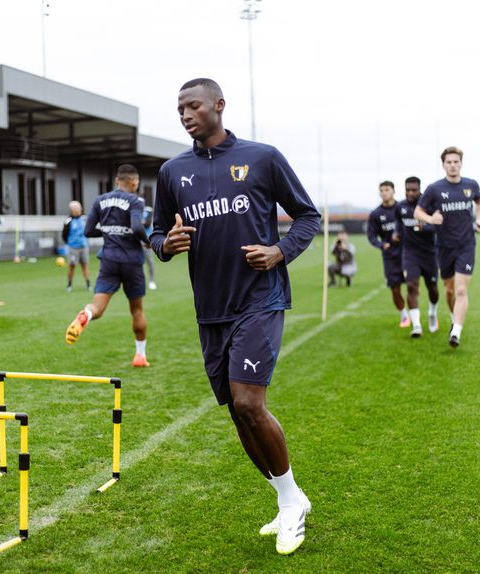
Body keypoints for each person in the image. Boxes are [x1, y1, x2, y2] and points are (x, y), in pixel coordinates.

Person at [150, 78, 320, 555]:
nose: (185, 114)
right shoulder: (172, 171)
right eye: (179, 108)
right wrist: (166, 244)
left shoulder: (263, 157)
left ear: (218, 106)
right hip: (211, 309)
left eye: (193, 106)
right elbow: (158, 230)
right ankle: (290, 498)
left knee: (249, 402)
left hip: (260, 299)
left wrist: (279, 251)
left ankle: (290, 506)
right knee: (237, 414)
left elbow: (307, 216)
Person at [65, 165, 151, 367]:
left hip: (109, 260)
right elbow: (137, 226)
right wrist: (146, 241)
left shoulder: (99, 200)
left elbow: (88, 231)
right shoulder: (135, 200)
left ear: (116, 180)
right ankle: (140, 356)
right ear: (134, 182)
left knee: (98, 308)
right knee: (137, 310)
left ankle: (86, 314)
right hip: (131, 261)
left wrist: (108, 232)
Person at [414, 146, 480, 348]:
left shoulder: (471, 185)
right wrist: (430, 218)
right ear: (443, 164)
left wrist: (479, 219)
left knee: (461, 289)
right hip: (444, 247)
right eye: (449, 162)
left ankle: (456, 331)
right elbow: (418, 212)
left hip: (466, 245)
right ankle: (454, 317)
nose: (453, 165)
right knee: (450, 290)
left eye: (456, 161)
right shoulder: (434, 189)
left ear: (461, 163)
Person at [393, 176, 440, 337]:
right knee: (412, 286)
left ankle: (432, 313)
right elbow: (398, 222)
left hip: (429, 253)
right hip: (410, 253)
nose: (410, 193)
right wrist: (396, 233)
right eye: (407, 190)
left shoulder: (429, 205)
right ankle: (417, 325)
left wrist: (424, 228)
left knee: (432, 288)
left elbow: (438, 225)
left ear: (420, 190)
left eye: (413, 190)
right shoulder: (401, 206)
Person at [367, 181, 410, 327]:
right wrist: (381, 245)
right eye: (382, 190)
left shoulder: (402, 208)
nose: (384, 192)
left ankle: (414, 314)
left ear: (393, 191)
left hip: (407, 253)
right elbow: (371, 235)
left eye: (387, 190)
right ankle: (404, 315)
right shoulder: (376, 214)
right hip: (390, 256)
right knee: (395, 288)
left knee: (412, 285)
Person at [61, 200, 91, 292]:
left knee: (85, 265)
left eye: (80, 208)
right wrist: (70, 243)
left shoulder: (84, 219)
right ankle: (69, 285)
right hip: (73, 247)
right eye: (77, 209)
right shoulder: (68, 221)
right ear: (72, 210)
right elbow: (64, 235)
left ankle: (88, 284)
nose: (79, 210)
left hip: (84, 246)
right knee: (72, 266)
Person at [142, 205, 157, 290]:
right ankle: (141, 281)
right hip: (136, 240)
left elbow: (147, 224)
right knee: (138, 262)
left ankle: (152, 281)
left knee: (150, 261)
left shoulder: (148, 210)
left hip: (147, 240)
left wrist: (139, 222)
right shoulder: (134, 210)